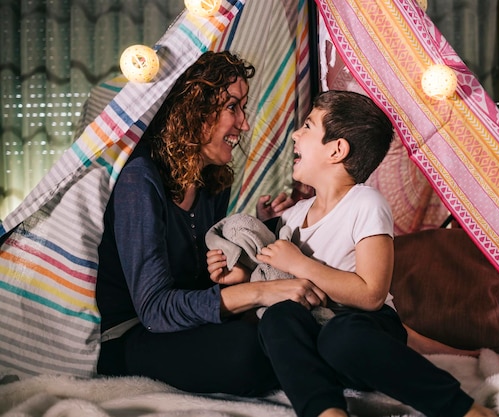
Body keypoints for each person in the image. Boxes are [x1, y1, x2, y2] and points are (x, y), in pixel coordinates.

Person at [95, 50, 327, 396]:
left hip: (187, 324)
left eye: (242, 108)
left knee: (287, 329)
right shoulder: (139, 181)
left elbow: (200, 278)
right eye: (233, 106)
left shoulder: (213, 180)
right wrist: (261, 292)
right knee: (248, 349)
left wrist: (255, 240)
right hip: (134, 334)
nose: (244, 123)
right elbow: (155, 309)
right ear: (193, 109)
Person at [253, 90, 497, 417]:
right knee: (278, 318)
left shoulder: (365, 203)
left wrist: (300, 263)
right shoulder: (294, 214)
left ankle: (463, 410)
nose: (296, 134)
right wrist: (258, 228)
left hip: (363, 331)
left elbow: (371, 295)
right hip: (315, 334)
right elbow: (273, 276)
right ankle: (326, 411)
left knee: (341, 336)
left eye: (308, 126)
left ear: (337, 150)